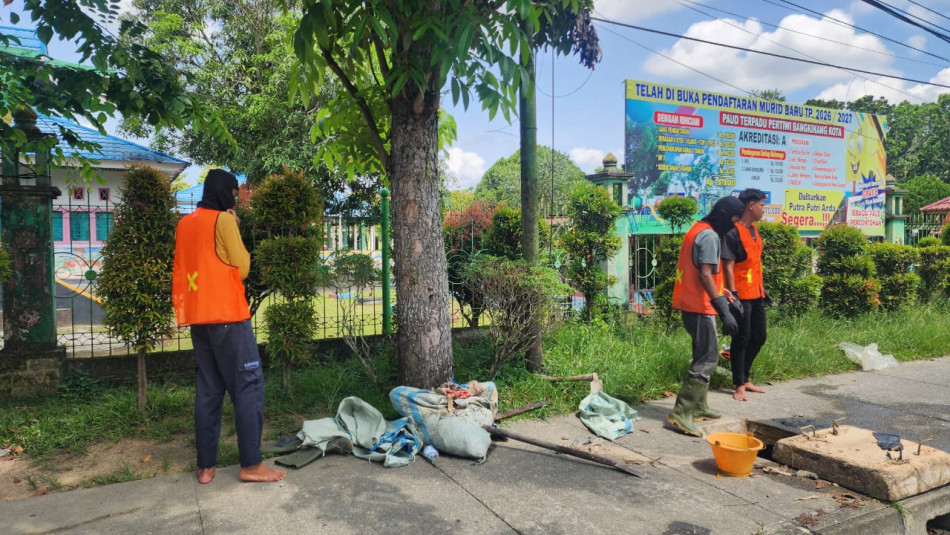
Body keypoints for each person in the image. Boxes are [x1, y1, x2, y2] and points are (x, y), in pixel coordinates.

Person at [172, 169, 286, 484]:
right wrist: (233, 226)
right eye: (234, 193)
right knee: (248, 386)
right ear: (225, 192)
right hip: (229, 318)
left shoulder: (185, 223)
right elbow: (242, 268)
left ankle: (206, 467)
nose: (235, 200)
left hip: (199, 319)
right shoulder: (223, 221)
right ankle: (251, 465)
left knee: (209, 390)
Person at [668, 195, 745, 437]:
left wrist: (723, 292)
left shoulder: (697, 228)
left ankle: (699, 405)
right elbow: (704, 275)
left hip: (690, 302)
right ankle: (683, 410)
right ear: (724, 216)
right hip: (700, 306)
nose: (734, 226)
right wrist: (724, 310)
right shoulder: (710, 236)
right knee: (709, 357)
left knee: (702, 353)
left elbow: (699, 272)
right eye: (734, 221)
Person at [721, 188, 768, 402]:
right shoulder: (733, 232)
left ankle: (745, 376)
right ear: (750, 205)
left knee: (759, 336)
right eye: (761, 205)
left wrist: (761, 288)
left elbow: (754, 263)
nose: (763, 209)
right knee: (741, 337)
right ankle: (739, 383)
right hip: (740, 293)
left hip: (756, 292)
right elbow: (728, 265)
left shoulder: (754, 230)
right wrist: (732, 294)